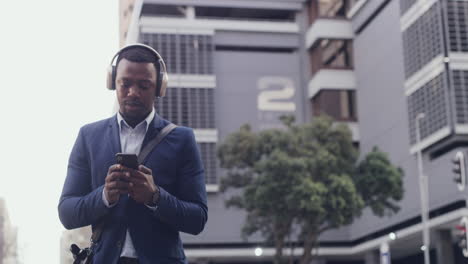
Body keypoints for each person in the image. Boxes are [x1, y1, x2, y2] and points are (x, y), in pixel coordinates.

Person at [58, 44, 208, 264]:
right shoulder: (88, 136)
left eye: (144, 85)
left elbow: (198, 219)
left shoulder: (183, 139)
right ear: (113, 83)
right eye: (125, 83)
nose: (133, 92)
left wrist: (155, 197)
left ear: (159, 88)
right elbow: (67, 212)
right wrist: (104, 196)